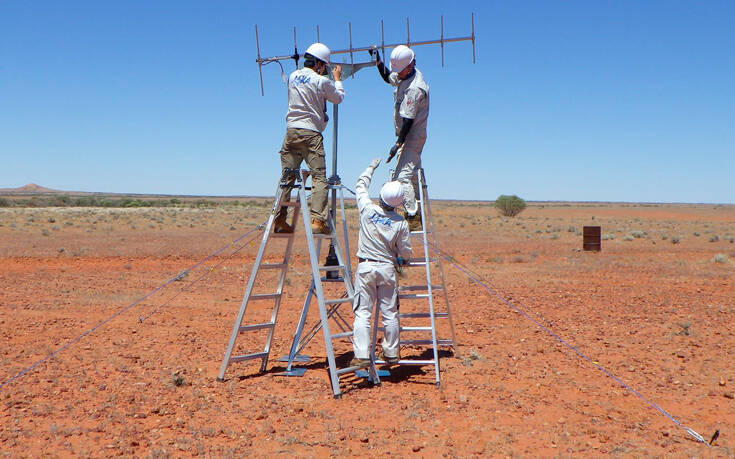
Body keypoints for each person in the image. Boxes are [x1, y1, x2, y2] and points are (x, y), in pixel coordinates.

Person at [274, 43, 344, 234]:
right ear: (320, 64)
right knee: (319, 176)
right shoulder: (322, 81)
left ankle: (279, 219)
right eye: (325, 66)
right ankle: (317, 221)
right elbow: (338, 98)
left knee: (287, 177)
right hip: (311, 133)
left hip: (291, 132)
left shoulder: (293, 76)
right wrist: (337, 79)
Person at [350, 158, 412, 367]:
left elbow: (360, 186)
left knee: (362, 313)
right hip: (387, 269)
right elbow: (405, 252)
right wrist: (402, 259)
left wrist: (370, 168)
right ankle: (391, 353)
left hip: (366, 267)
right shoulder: (401, 223)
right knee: (390, 313)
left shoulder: (367, 209)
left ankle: (361, 355)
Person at [372, 44, 429, 232]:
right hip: (405, 137)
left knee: (400, 180)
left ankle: (412, 216)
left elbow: (408, 121)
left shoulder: (415, 88)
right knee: (412, 177)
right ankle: (417, 214)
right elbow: (388, 77)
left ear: (410, 66)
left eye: (400, 70)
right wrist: (378, 61)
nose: (398, 74)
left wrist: (398, 144)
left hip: (412, 137)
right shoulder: (404, 74)